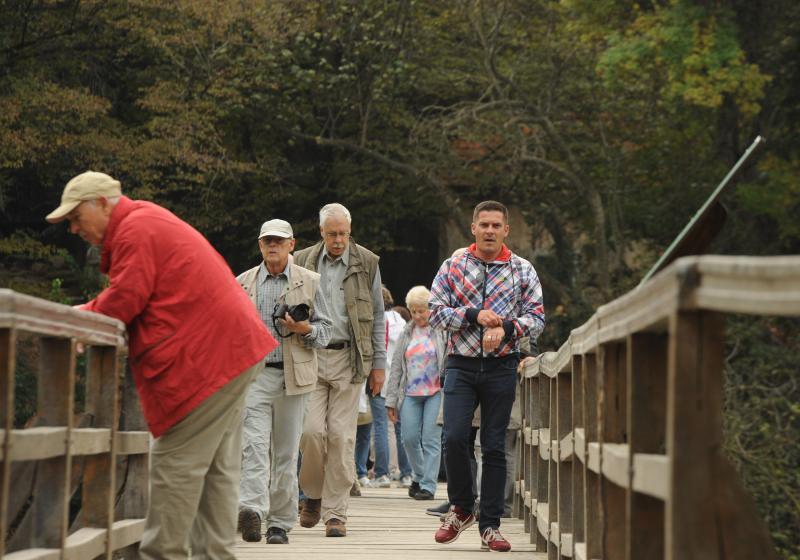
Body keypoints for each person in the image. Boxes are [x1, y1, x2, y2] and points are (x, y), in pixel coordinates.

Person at [45, 171, 278, 560]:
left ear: (101, 203)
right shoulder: (145, 222)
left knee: (174, 465)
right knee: (216, 472)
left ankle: (162, 555)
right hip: (230, 350)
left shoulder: (135, 229)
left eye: (75, 217)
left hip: (210, 360)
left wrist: (82, 318)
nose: (73, 228)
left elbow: (125, 298)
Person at [429, 200, 545, 552]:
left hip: (501, 366)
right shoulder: (454, 266)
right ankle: (462, 507)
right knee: (453, 436)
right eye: (484, 225)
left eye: (496, 225)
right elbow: (435, 312)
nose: (490, 231)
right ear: (474, 229)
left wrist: (507, 328)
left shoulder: (522, 270)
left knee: (494, 445)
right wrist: (473, 315)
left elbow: (537, 319)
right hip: (460, 363)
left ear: (506, 230)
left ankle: (490, 525)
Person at [235, 219, 332, 544]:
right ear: (260, 245)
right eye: (267, 241)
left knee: (286, 454)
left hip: (295, 377)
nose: (273, 246)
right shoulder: (243, 282)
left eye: (279, 241)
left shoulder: (311, 281)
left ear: (292, 244)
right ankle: (252, 510)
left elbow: (327, 332)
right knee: (253, 447)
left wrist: (304, 329)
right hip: (255, 375)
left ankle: (279, 522)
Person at [293, 203, 386, 538]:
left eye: (343, 234)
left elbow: (378, 316)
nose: (338, 240)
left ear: (350, 231)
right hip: (310, 355)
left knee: (341, 437)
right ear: (321, 232)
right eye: (332, 234)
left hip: (350, 357)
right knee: (310, 433)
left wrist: (379, 364)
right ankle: (313, 494)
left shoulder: (367, 262)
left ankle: (335, 513)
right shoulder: (301, 260)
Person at [386, 285, 446, 501]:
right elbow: (396, 368)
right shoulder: (406, 332)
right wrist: (391, 401)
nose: (418, 315)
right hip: (410, 393)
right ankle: (419, 475)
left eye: (422, 310)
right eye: (413, 311)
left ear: (431, 309)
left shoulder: (441, 331)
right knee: (409, 438)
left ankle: (428, 486)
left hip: (435, 392)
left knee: (430, 439)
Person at [383, 286, 413, 487]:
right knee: (402, 428)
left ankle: (385, 470)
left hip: (385, 377)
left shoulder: (380, 321)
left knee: (384, 427)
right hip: (404, 381)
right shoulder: (402, 323)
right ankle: (407, 473)